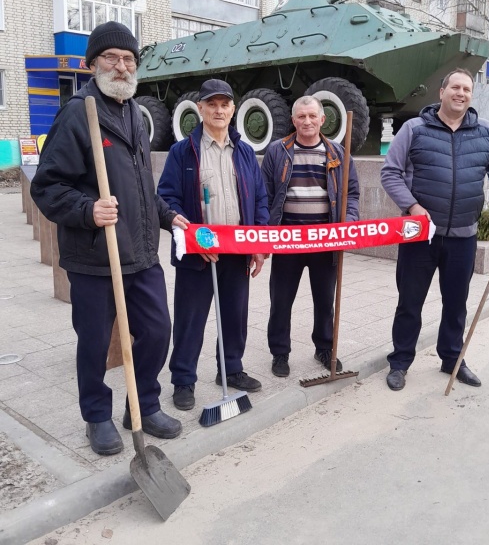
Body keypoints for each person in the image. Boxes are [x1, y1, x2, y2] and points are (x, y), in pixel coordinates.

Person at [30, 22, 188, 455]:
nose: (121, 66)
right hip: (95, 258)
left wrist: (169, 217)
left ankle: (144, 405)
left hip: (140, 255)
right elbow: (46, 186)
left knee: (157, 331)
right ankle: (97, 416)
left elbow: (142, 189)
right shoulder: (77, 114)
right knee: (96, 343)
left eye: (129, 59)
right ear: (92, 64)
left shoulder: (136, 116)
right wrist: (87, 209)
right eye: (112, 58)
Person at [380, 68, 489, 391]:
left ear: (471, 96)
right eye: (454, 87)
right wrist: (414, 207)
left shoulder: (485, 132)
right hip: (419, 236)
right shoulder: (415, 129)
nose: (460, 93)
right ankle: (400, 362)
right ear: (441, 92)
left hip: (463, 236)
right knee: (409, 302)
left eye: (466, 89)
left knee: (456, 303)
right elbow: (391, 173)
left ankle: (452, 360)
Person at [157, 79, 268, 411]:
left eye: (225, 105)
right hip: (198, 253)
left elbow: (260, 198)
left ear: (233, 110)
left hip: (237, 250)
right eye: (212, 104)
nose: (219, 110)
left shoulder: (246, 152)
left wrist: (259, 243)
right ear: (200, 109)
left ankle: (230, 369)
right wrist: (193, 237)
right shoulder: (183, 152)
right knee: (191, 319)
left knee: (235, 315)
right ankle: (183, 380)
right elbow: (167, 199)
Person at [261, 95, 360, 378]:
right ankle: (280, 352)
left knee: (324, 299)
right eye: (301, 117)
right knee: (281, 300)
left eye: (312, 116)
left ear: (322, 119)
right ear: (293, 121)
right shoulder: (277, 151)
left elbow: (351, 193)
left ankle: (325, 347)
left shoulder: (338, 154)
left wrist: (348, 224)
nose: (307, 121)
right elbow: (265, 194)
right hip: (287, 239)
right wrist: (266, 234)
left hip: (325, 241)